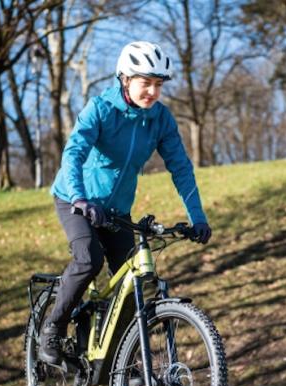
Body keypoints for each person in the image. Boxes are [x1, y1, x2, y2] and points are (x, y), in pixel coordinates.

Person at [40, 41, 212, 365]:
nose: (152, 91)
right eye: (145, 82)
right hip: (74, 199)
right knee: (89, 259)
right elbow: (73, 153)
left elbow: (182, 168)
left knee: (130, 282)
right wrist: (79, 197)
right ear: (125, 79)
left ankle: (125, 364)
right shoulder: (100, 109)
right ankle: (52, 328)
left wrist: (198, 218)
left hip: (116, 212)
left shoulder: (160, 119)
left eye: (158, 84)